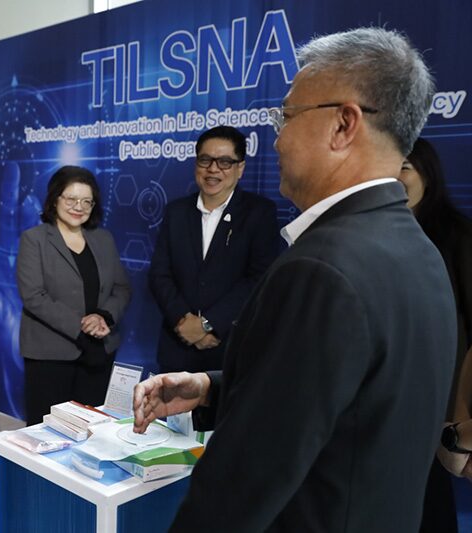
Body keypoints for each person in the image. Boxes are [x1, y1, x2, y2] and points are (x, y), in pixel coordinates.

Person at [133, 27, 456, 532]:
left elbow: (242, 484)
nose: (278, 139)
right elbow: (339, 398)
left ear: (343, 124)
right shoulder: (416, 248)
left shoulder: (321, 269)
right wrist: (210, 387)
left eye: (286, 117)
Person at [149, 125, 281, 377]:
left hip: (229, 348)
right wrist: (182, 321)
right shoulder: (176, 212)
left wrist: (208, 325)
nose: (213, 169)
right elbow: (159, 274)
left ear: (240, 168)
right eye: (205, 160)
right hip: (177, 348)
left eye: (225, 162)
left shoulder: (259, 213)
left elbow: (259, 279)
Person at [18, 165, 131, 425]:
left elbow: (122, 288)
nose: (78, 207)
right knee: (47, 432)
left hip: (99, 352)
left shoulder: (103, 239)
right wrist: (83, 326)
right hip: (50, 356)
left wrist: (104, 316)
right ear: (55, 199)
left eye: (86, 201)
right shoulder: (34, 239)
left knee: (94, 430)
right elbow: (33, 295)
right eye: (71, 199)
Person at [399, 137, 472, 532]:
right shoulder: (370, 236)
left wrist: (459, 417)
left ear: (428, 174)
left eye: (405, 167)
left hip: (440, 405)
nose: (393, 177)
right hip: (386, 397)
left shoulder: (457, 236)